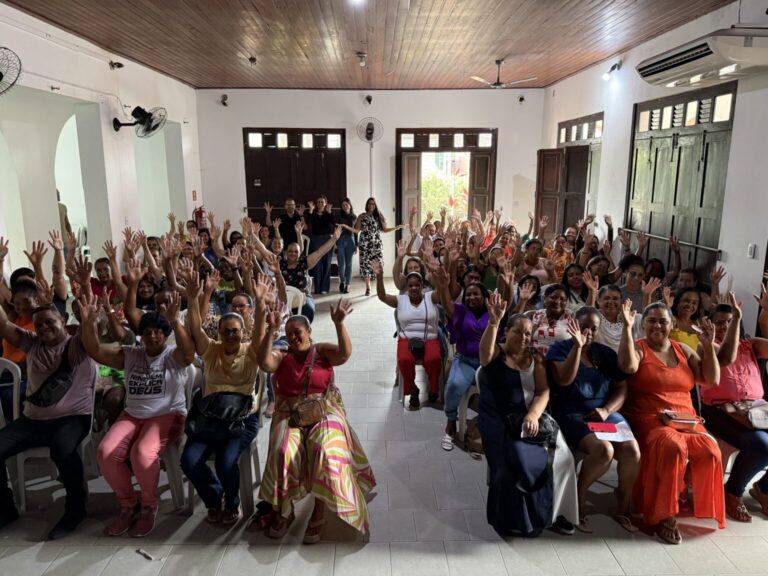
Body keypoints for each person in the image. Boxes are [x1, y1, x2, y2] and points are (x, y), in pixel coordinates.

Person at [256, 300, 375, 544]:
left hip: (323, 409)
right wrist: (271, 331)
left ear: (309, 331)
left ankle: (319, 510)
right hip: (290, 413)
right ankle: (285, 509)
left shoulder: (321, 351)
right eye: (289, 334)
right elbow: (265, 363)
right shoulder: (282, 355)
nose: (293, 337)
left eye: (297, 332)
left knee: (325, 449)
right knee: (282, 450)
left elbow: (344, 354)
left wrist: (339, 324)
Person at [80, 292, 195, 537]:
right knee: (106, 452)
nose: (152, 336)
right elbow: (94, 350)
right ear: (141, 335)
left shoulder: (172, 354)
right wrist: (88, 322)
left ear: (165, 335)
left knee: (142, 454)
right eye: (148, 332)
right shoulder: (131, 354)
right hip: (133, 415)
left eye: (158, 332)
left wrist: (175, 321)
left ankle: (148, 506)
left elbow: (188, 356)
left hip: (167, 415)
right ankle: (128, 505)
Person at [617, 299, 727, 544]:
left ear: (672, 324)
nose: (657, 326)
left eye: (663, 321)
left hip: (685, 419)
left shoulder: (683, 349)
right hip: (649, 417)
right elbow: (627, 367)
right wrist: (626, 327)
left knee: (711, 450)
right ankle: (664, 514)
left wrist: (708, 346)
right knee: (672, 447)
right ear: (643, 324)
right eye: (651, 321)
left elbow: (712, 380)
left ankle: (683, 496)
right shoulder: (639, 347)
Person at [478, 294, 578, 537]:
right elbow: (483, 353)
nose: (524, 338)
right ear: (506, 332)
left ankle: (556, 513)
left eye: (528, 333)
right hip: (499, 420)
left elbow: (543, 391)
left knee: (563, 458)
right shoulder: (496, 355)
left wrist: (532, 415)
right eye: (518, 332)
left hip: (533, 417)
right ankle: (517, 519)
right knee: (518, 462)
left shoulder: (536, 358)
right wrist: (493, 322)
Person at [0, 302, 96, 540]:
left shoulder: (77, 345)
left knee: (63, 449)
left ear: (62, 321)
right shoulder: (32, 343)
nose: (43, 328)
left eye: (49, 322)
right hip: (33, 420)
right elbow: (3, 323)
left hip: (73, 418)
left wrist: (87, 317)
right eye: (39, 324)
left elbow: (92, 335)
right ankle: (5, 508)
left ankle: (75, 509)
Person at [546, 308, 641, 533]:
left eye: (593, 328)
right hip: (572, 413)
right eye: (583, 327)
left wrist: (607, 410)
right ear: (573, 325)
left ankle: (623, 503)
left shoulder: (604, 353)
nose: (588, 332)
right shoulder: (559, 349)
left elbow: (621, 388)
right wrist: (577, 347)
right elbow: (564, 380)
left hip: (603, 413)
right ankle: (579, 494)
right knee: (603, 450)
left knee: (632, 451)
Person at [180, 270, 262, 525]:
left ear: (243, 332)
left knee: (226, 463)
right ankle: (215, 499)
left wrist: (260, 304)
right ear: (218, 333)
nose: (230, 335)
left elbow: (260, 333)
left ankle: (232, 502)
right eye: (226, 331)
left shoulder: (251, 351)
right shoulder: (211, 350)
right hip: (209, 418)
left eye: (235, 331)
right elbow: (195, 328)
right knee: (188, 461)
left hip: (241, 420)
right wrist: (193, 298)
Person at [701, 299, 768, 522]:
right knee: (762, 445)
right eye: (719, 322)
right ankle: (733, 492)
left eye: (729, 322)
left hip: (756, 409)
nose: (724, 326)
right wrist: (736, 320)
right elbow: (725, 358)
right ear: (710, 325)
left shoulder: (750, 345)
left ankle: (764, 488)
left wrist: (766, 311)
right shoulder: (707, 346)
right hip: (720, 410)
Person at [373, 260, 442, 410]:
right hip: (407, 339)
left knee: (433, 359)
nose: (414, 288)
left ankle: (433, 389)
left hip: (429, 339)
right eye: (410, 285)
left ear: (422, 286)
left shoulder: (430, 297)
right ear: (407, 287)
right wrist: (379, 277)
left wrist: (436, 272)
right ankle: (413, 390)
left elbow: (442, 290)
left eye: (417, 285)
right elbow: (382, 296)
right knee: (404, 360)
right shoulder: (400, 300)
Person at [436, 270, 489, 450]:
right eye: (468, 295)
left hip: (489, 363)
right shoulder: (461, 310)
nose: (471, 297)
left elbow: (508, 304)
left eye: (476, 294)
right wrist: (444, 286)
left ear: (485, 297)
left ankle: (487, 426)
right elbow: (446, 304)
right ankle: (451, 420)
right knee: (454, 385)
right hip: (465, 360)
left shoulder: (493, 312)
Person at [340, 197, 402, 296]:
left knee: (379, 265)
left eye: (373, 204)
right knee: (366, 265)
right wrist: (347, 227)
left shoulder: (379, 216)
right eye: (369, 203)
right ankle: (368, 287)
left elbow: (384, 229)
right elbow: (357, 230)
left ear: (375, 205)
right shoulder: (361, 216)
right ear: (367, 205)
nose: (371, 205)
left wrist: (396, 228)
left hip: (376, 244)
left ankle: (379, 286)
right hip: (364, 245)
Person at [526, 284, 573, 355]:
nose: (557, 301)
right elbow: (522, 337)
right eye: (553, 297)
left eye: (562, 299)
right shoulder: (532, 315)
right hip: (534, 356)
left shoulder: (572, 317)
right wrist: (536, 326)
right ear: (545, 298)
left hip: (562, 358)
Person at [594, 284, 643, 352]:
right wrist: (592, 291)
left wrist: (627, 323)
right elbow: (587, 314)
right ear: (598, 301)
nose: (611, 302)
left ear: (620, 301)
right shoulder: (595, 318)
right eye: (607, 298)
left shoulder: (630, 318)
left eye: (615, 299)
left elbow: (646, 323)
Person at [305, 195, 336, 295]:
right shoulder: (313, 214)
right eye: (318, 202)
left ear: (325, 203)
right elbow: (308, 223)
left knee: (327, 264)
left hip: (327, 239)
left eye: (322, 202)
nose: (320, 204)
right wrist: (310, 210)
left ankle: (324, 288)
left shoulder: (328, 214)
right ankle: (317, 288)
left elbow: (335, 223)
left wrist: (329, 212)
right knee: (316, 264)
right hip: (315, 239)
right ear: (316, 204)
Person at [335, 198, 357, 294]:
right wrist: (335, 243)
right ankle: (342, 281)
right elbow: (335, 230)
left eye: (346, 204)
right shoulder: (338, 216)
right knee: (341, 263)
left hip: (350, 240)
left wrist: (356, 244)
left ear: (350, 205)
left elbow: (356, 232)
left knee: (349, 264)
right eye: (343, 205)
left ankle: (348, 284)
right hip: (340, 240)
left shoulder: (354, 217)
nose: (345, 206)